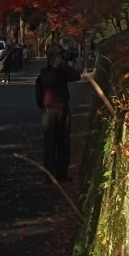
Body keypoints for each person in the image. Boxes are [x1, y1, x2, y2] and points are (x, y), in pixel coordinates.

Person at [35, 47, 81, 182]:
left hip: (63, 110)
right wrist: (55, 68)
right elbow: (49, 82)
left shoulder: (63, 70)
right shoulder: (44, 72)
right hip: (49, 111)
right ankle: (49, 175)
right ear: (51, 58)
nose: (60, 58)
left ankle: (62, 174)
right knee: (49, 144)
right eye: (57, 56)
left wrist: (65, 66)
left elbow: (76, 76)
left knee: (64, 144)